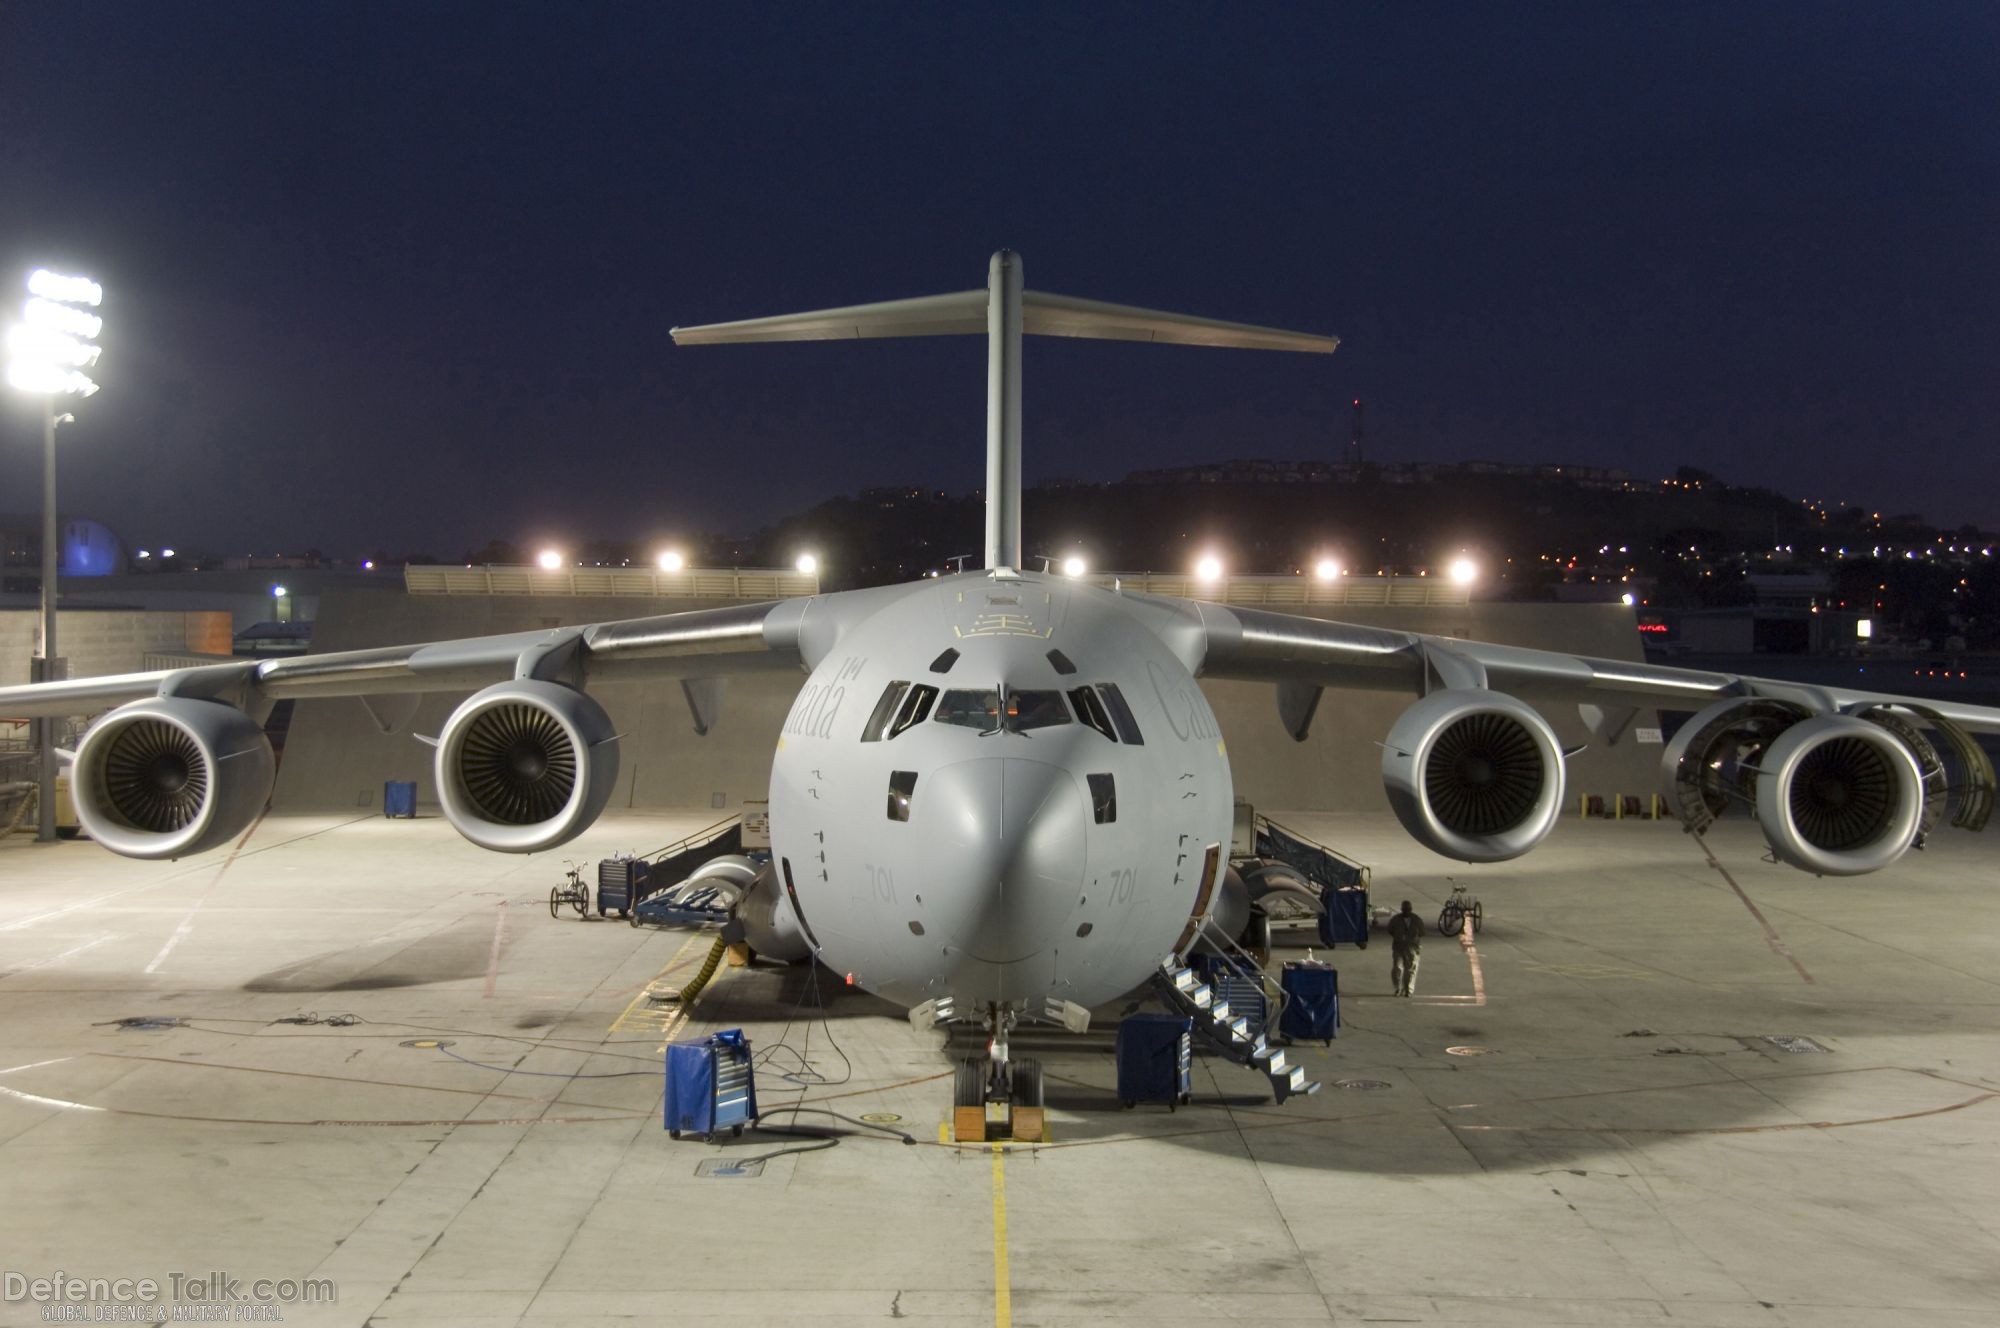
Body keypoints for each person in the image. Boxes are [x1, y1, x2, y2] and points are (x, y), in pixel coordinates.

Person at [1387, 899, 1424, 997]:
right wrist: (1398, 937)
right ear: (1402, 910)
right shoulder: (1396, 920)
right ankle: (1398, 988)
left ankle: (1409, 990)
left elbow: (1422, 932)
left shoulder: (1416, 920)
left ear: (1411, 909)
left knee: (1411, 969)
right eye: (1405, 909)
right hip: (1398, 947)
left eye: (1408, 909)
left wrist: (1413, 939)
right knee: (1397, 968)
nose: (1406, 911)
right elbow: (1390, 930)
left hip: (1412, 948)